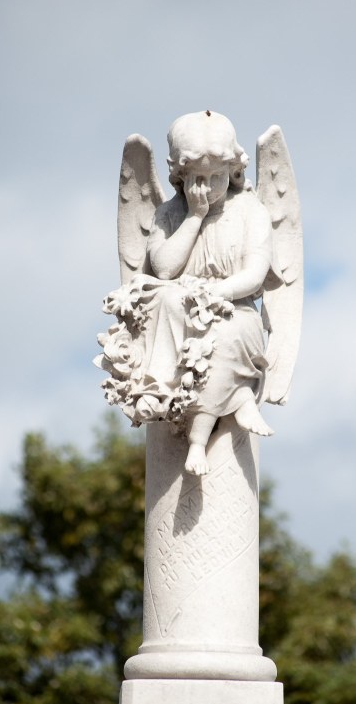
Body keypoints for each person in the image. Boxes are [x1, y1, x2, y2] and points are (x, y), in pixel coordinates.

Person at [104, 112, 273, 475]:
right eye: (198, 179)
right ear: (180, 177)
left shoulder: (250, 211)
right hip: (180, 310)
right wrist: (194, 217)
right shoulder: (170, 214)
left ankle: (218, 420)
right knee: (162, 298)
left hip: (232, 311)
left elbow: (256, 274)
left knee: (224, 336)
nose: (209, 187)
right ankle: (157, 387)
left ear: (233, 169)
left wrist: (216, 294)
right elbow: (164, 269)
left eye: (217, 177)